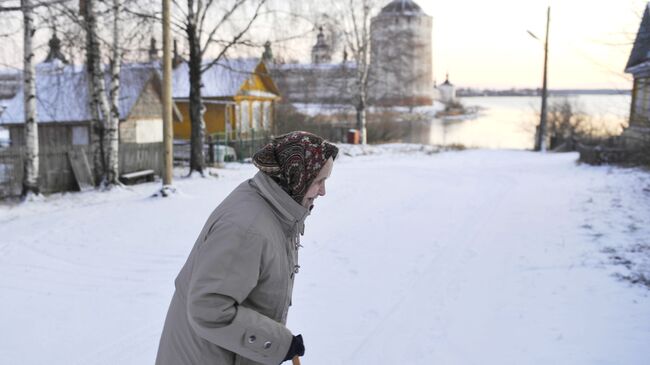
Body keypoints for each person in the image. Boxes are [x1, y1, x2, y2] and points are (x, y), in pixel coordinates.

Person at [155, 131, 338, 365]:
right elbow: (208, 309)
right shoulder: (247, 229)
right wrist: (278, 343)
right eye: (318, 181)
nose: (323, 191)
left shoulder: (274, 207)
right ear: (296, 176)